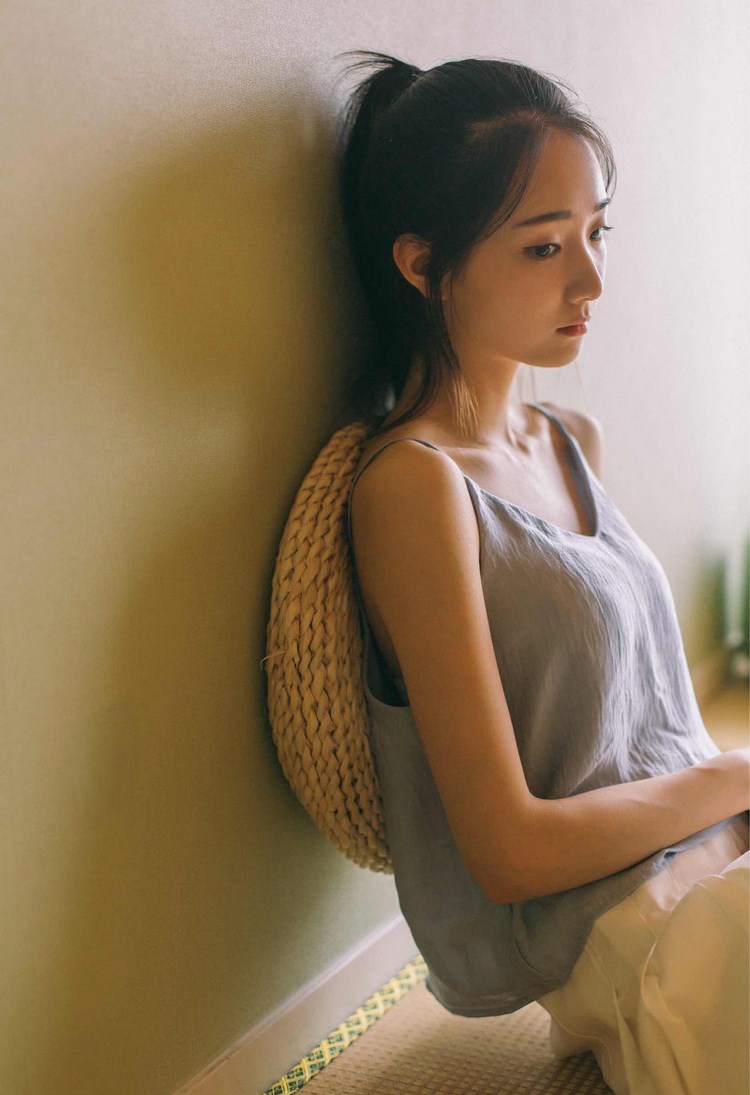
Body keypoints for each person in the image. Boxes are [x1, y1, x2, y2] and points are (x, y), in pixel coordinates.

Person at [335, 50, 750, 1095]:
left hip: (723, 859)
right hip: (651, 939)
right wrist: (737, 775)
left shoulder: (573, 441)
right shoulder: (413, 488)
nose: (592, 280)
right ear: (422, 264)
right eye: (544, 247)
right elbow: (507, 853)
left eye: (596, 233)